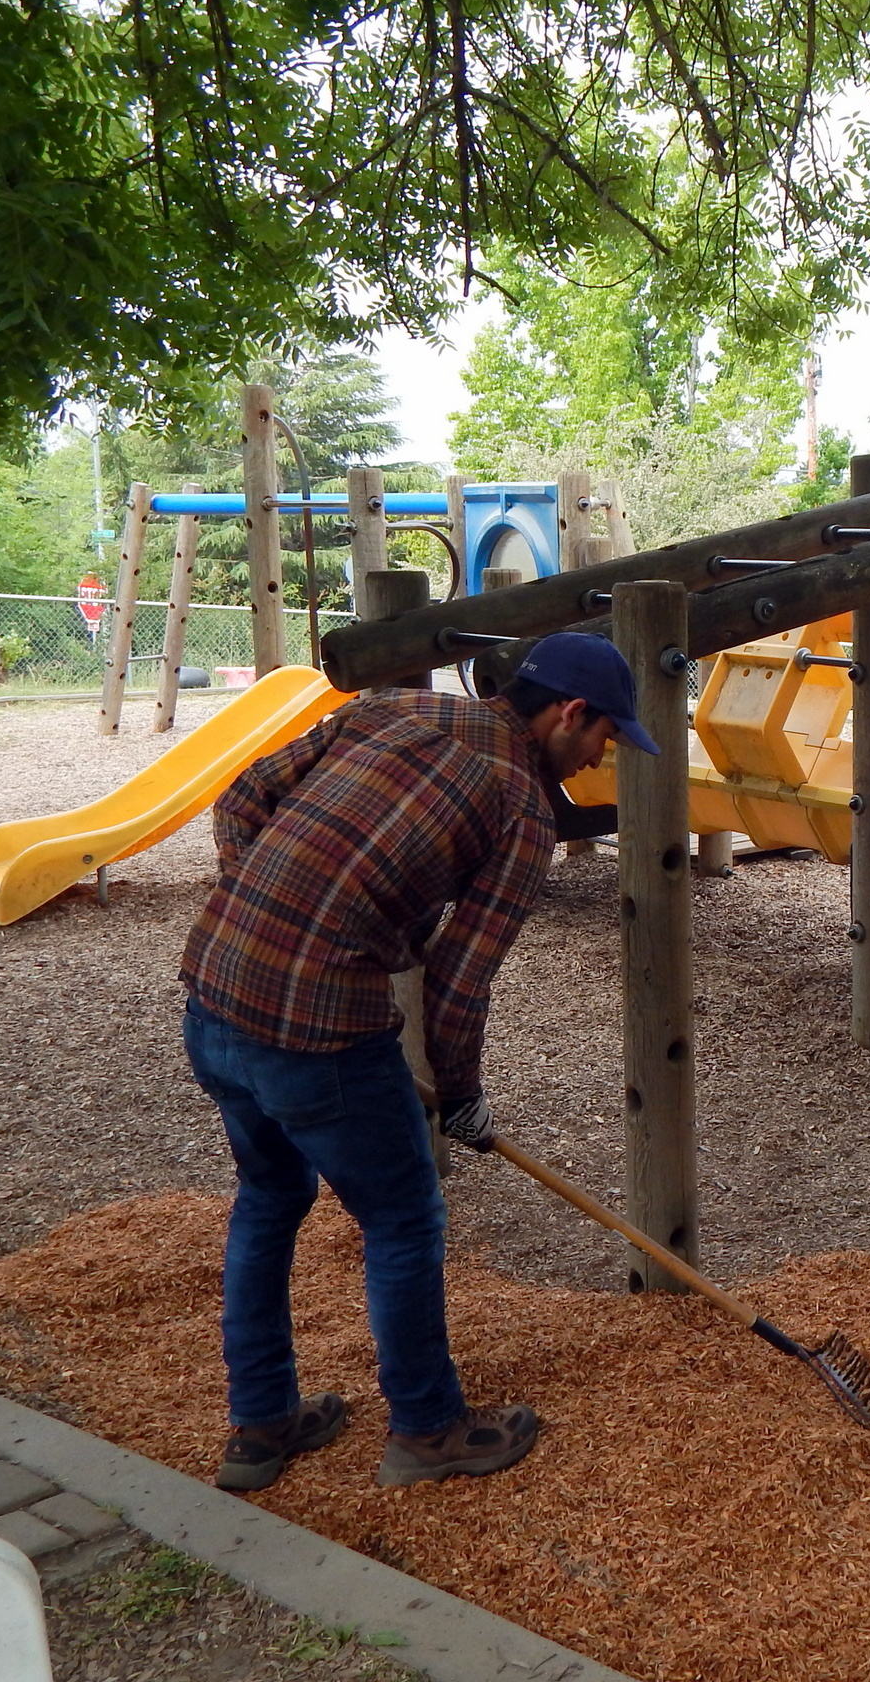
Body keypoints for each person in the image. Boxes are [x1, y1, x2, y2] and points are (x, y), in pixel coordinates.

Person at [179, 631, 658, 1488]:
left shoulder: (395, 708)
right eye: (605, 737)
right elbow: (459, 982)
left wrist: (267, 908)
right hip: (320, 1033)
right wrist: (464, 1095)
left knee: (269, 1197)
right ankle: (428, 1430)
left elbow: (241, 799)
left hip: (213, 993)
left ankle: (260, 1422)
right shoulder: (522, 812)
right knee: (402, 1219)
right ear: (568, 713)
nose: (599, 759)